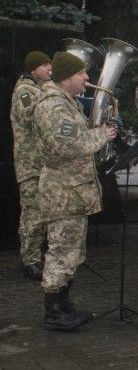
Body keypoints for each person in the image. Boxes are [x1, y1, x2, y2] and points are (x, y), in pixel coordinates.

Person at [32, 52, 117, 331]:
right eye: (82, 73)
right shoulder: (53, 107)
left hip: (72, 191)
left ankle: (63, 304)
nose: (87, 78)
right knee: (61, 251)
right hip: (63, 192)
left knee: (71, 251)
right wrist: (100, 135)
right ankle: (54, 313)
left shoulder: (67, 103)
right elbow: (66, 146)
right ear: (67, 77)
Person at [11, 51, 53, 281]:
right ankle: (30, 261)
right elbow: (32, 117)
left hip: (43, 164)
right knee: (32, 215)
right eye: (45, 65)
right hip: (31, 164)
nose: (50, 68)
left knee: (42, 213)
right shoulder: (25, 91)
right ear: (33, 69)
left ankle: (38, 255)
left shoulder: (40, 89)